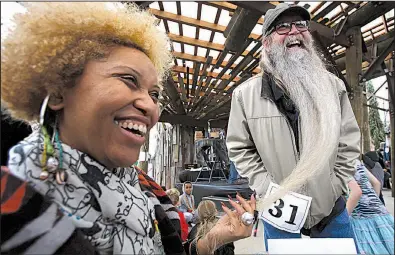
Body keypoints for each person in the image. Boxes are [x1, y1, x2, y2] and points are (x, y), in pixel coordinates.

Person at [1, 3, 257, 254]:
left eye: (154, 94)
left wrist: (209, 241)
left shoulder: (148, 190)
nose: (149, 106)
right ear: (58, 92)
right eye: (128, 79)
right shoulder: (14, 206)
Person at [226, 3, 360, 250]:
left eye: (300, 25)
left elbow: (349, 141)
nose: (294, 32)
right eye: (283, 27)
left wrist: (335, 185)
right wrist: (267, 187)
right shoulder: (245, 96)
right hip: (280, 213)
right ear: (267, 43)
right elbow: (239, 147)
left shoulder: (333, 87)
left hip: (330, 210)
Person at [346, 160, 394, 254]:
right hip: (380, 212)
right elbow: (376, 183)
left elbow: (356, 193)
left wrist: (345, 217)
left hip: (359, 215)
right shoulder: (357, 162)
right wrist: (373, 201)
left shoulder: (342, 164)